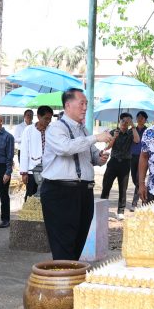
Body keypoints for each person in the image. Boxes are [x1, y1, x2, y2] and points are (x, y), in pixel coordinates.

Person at [40, 88, 112, 260]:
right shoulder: (56, 128)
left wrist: (100, 157)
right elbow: (65, 147)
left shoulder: (83, 130)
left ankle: (70, 272)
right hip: (60, 192)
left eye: (86, 104)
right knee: (63, 242)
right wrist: (96, 138)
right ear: (68, 105)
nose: (85, 108)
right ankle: (64, 274)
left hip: (83, 191)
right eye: (82, 103)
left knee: (79, 239)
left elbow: (92, 155)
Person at [100, 112, 134, 219]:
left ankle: (121, 211)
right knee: (106, 185)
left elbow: (137, 140)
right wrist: (114, 137)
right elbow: (107, 147)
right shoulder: (113, 132)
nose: (124, 123)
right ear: (119, 121)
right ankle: (102, 209)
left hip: (125, 163)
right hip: (113, 162)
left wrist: (133, 126)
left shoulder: (131, 133)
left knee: (123, 188)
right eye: (122, 121)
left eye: (127, 121)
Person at [20, 105, 53, 198]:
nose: (48, 121)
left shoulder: (52, 130)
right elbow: (24, 151)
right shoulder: (28, 130)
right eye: (46, 118)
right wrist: (24, 172)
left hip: (49, 170)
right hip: (32, 170)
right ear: (38, 117)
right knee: (31, 196)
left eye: (50, 119)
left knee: (47, 197)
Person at [128, 110, 148, 210]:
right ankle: (145, 195)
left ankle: (135, 203)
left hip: (143, 157)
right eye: (138, 117)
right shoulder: (131, 130)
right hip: (133, 157)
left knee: (138, 178)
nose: (140, 119)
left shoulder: (148, 131)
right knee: (134, 179)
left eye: (142, 118)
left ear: (145, 120)